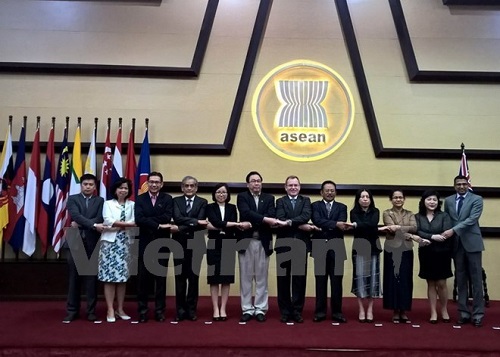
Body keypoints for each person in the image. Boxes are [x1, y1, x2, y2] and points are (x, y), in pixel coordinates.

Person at [237, 171, 284, 323]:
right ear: (248, 184)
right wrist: (264, 219)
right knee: (245, 277)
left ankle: (260, 309)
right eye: (253, 181)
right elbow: (245, 213)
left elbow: (271, 213)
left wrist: (257, 219)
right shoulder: (242, 196)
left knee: (262, 278)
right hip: (246, 241)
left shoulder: (269, 198)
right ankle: (247, 309)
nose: (256, 183)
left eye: (258, 181)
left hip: (263, 241)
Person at [443, 175, 485, 327]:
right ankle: (464, 313)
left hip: (472, 244)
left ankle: (478, 314)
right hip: (456, 244)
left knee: (476, 280)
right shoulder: (448, 201)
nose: (461, 186)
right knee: (460, 279)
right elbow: (447, 219)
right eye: (458, 184)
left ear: (468, 185)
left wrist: (453, 230)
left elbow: (472, 219)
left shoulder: (477, 199)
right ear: (454, 186)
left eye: (464, 184)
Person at [135, 171, 175, 323]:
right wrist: (158, 225)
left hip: (162, 244)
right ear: (147, 183)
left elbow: (167, 216)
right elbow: (139, 219)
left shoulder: (168, 198)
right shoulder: (140, 199)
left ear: (161, 184)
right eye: (151, 182)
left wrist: (149, 221)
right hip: (144, 243)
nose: (154, 184)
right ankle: (143, 311)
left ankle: (160, 311)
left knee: (160, 280)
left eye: (157, 182)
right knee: (143, 280)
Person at [63, 173, 104, 322]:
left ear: (95, 187)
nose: (88, 187)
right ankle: (72, 311)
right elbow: (75, 215)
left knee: (91, 278)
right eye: (85, 184)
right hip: (75, 240)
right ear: (81, 185)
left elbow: (100, 218)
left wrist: (82, 223)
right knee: (74, 278)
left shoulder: (100, 200)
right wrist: (92, 225)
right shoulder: (73, 199)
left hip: (93, 241)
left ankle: (91, 311)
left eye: (91, 185)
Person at [275, 175, 315, 323]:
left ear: (299, 187)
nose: (293, 188)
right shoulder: (280, 201)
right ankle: (285, 312)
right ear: (285, 187)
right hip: (283, 245)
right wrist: (297, 223)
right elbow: (279, 217)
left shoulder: (306, 201)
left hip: (300, 244)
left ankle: (297, 311)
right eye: (290, 185)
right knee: (283, 280)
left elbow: (306, 216)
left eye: (295, 185)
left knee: (299, 279)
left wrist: (289, 222)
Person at [311, 180, 352, 323]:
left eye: (332, 190)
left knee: (336, 282)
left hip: (337, 247)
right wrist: (334, 224)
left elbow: (342, 223)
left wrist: (329, 225)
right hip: (319, 246)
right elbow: (317, 220)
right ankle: (320, 312)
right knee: (320, 281)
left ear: (336, 192)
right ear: (321, 192)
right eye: (327, 190)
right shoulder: (315, 206)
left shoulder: (342, 207)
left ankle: (337, 312)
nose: (329, 193)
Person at [410, 190, 453, 324]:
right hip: (426, 251)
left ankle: (444, 309)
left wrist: (428, 235)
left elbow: (445, 232)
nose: (432, 202)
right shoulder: (417, 216)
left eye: (434, 200)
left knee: (441, 283)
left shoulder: (444, 216)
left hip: (442, 251)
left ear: (438, 202)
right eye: (429, 199)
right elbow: (417, 231)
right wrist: (432, 236)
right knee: (430, 282)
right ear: (423, 201)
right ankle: (433, 312)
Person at [98, 177, 136, 323]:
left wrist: (117, 225)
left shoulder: (132, 204)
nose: (123, 190)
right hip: (109, 244)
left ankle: (120, 308)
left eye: (125, 188)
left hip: (126, 243)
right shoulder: (107, 204)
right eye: (120, 188)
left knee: (122, 278)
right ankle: (110, 309)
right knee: (109, 278)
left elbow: (134, 222)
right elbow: (107, 220)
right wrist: (123, 224)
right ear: (115, 190)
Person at [172, 175, 208, 321]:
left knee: (193, 279)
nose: (189, 188)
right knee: (180, 278)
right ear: (182, 187)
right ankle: (180, 310)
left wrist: (181, 227)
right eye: (186, 186)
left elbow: (201, 222)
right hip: (178, 244)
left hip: (196, 244)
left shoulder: (203, 202)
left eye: (192, 185)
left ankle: (192, 309)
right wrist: (195, 222)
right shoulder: (176, 201)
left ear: (196, 187)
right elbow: (177, 217)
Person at [205, 183, 241, 321]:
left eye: (224, 192)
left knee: (226, 279)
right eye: (219, 192)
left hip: (228, 244)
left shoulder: (232, 208)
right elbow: (213, 222)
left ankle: (223, 309)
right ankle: (215, 308)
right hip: (214, 244)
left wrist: (222, 225)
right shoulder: (209, 207)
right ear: (214, 194)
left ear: (228, 194)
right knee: (214, 279)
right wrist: (228, 225)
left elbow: (227, 225)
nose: (221, 194)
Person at [379, 189, 417, 323]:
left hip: (406, 249)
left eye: (400, 197)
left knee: (406, 278)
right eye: (395, 197)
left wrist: (398, 227)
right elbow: (390, 227)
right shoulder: (386, 213)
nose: (398, 200)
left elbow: (414, 228)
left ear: (404, 199)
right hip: (392, 248)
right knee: (393, 278)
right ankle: (395, 310)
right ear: (391, 199)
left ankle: (404, 310)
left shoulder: (410, 213)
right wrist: (404, 227)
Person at [350, 189, 382, 323]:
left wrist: (358, 225)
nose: (364, 199)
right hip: (359, 248)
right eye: (362, 197)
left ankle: (370, 309)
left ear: (370, 199)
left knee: (372, 280)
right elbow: (368, 227)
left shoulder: (375, 211)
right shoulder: (353, 212)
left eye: (367, 196)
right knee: (360, 279)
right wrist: (362, 226)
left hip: (373, 248)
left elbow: (373, 224)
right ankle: (361, 309)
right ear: (358, 199)